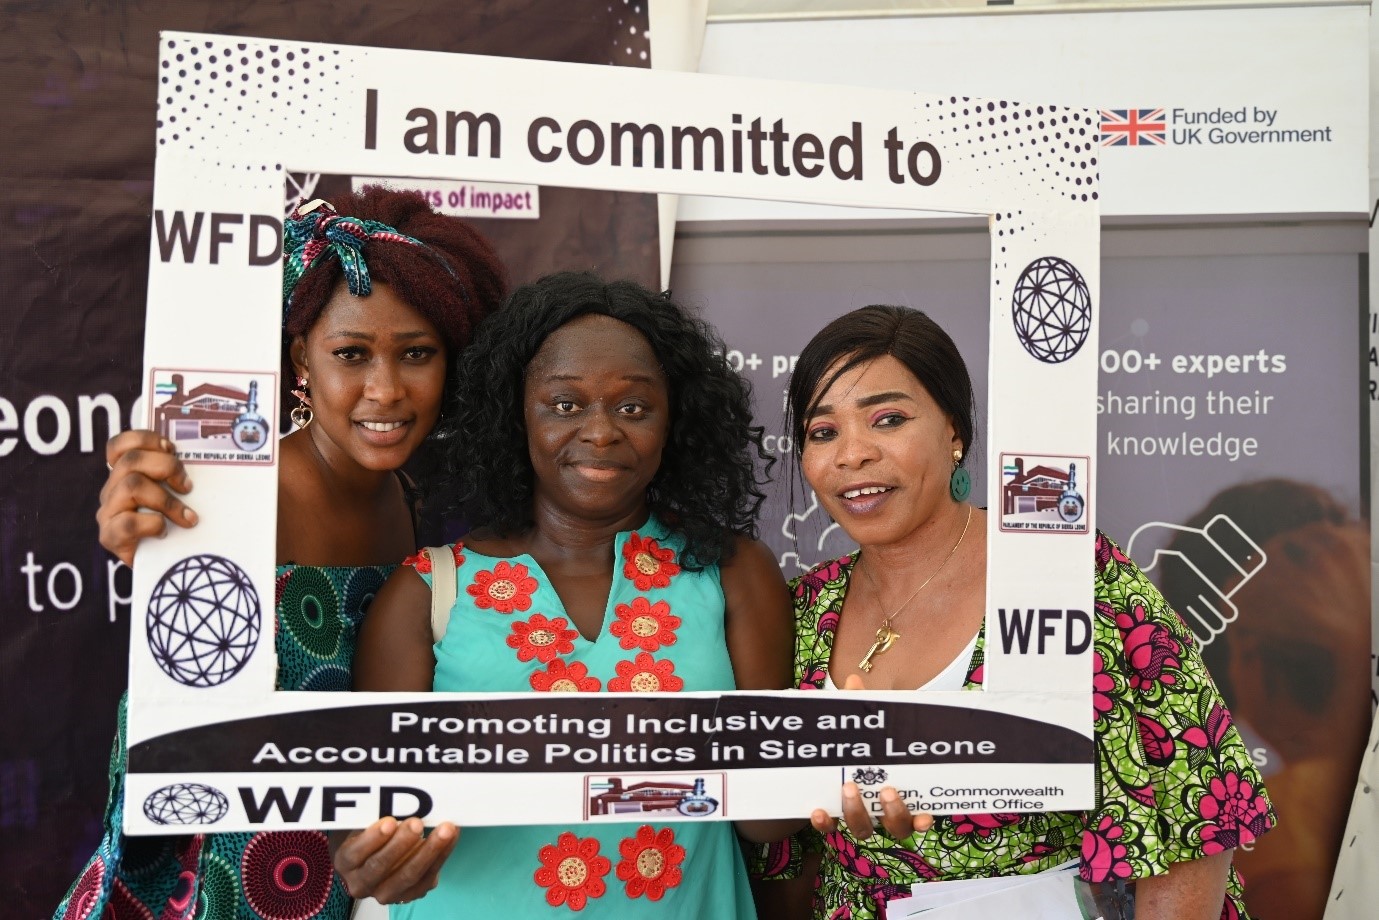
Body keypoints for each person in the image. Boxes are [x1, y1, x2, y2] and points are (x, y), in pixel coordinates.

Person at [56, 186, 508, 920]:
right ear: (301, 358)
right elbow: (175, 645)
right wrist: (145, 541)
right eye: (351, 354)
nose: (385, 390)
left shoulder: (409, 499)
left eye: (417, 354)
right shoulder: (231, 491)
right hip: (202, 883)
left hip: (331, 882)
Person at [752, 305, 1275, 920]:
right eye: (823, 432)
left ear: (955, 431)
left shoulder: (1063, 574)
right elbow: (780, 845)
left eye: (887, 419)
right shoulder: (806, 609)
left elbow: (1192, 809)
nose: (852, 455)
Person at [331, 271, 795, 916]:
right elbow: (364, 823)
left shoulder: (733, 572)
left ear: (674, 419)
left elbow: (765, 825)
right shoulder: (428, 591)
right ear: (514, 414)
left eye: (633, 407)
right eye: (564, 404)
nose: (601, 432)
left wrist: (837, 753)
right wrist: (371, 856)